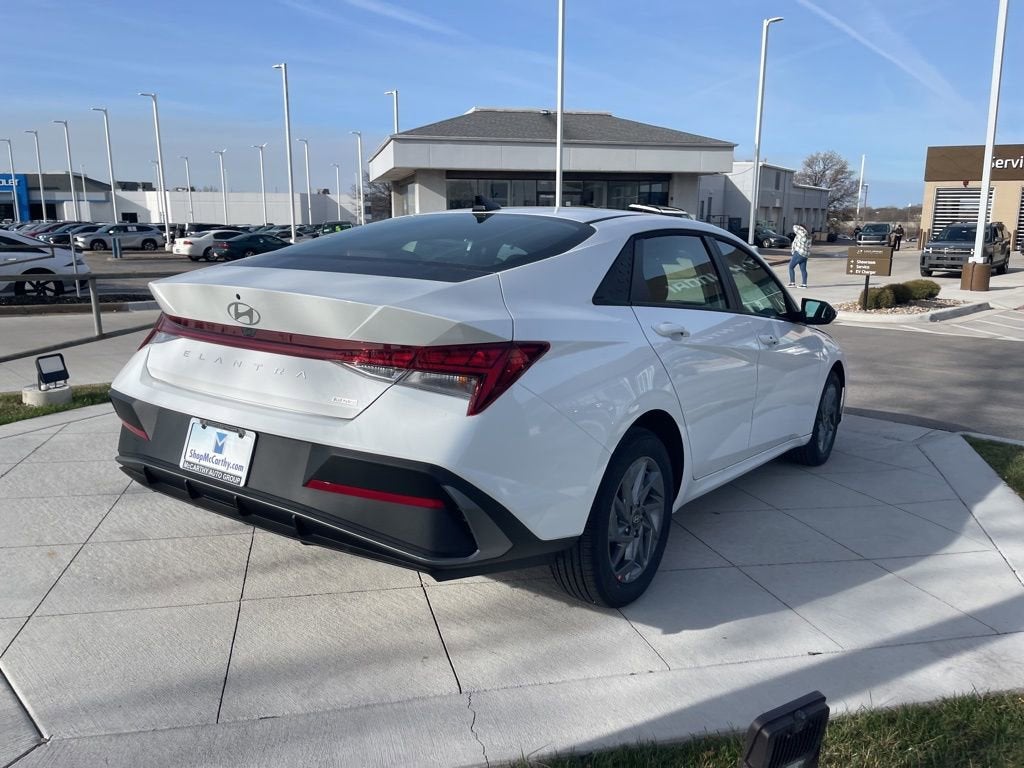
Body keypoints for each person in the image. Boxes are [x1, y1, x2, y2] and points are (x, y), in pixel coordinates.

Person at [788, 223, 811, 288]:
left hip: (799, 253)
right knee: (803, 270)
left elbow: (794, 227)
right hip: (805, 255)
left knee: (791, 267)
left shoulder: (801, 234)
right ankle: (804, 284)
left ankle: (792, 283)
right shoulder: (808, 236)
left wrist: (798, 226)